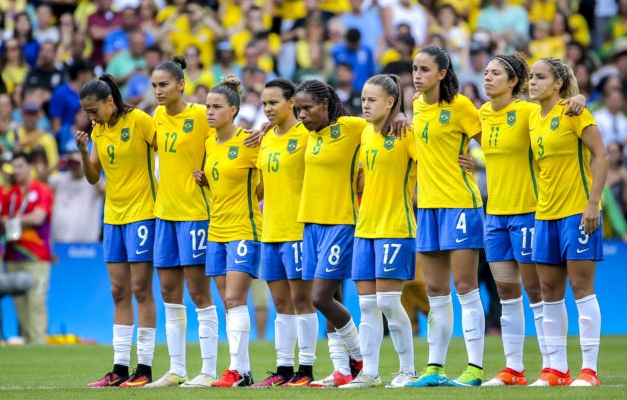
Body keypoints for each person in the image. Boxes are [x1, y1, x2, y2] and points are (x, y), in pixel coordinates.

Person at [476, 53, 586, 386]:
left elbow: (561, 111)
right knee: (506, 292)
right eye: (485, 72)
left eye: (495, 73)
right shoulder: (481, 113)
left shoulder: (527, 111)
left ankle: (554, 366)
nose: (487, 78)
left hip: (529, 211)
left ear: (514, 82)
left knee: (536, 290)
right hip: (494, 215)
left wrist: (578, 97)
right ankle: (514, 369)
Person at [404, 45, 486, 388]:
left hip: (460, 204)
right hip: (429, 208)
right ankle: (434, 367)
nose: (417, 75)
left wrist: (479, 162)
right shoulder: (417, 105)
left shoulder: (461, 106)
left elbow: (491, 142)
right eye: (414, 68)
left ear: (442, 73)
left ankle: (475, 370)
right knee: (436, 290)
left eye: (424, 69)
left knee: (465, 287)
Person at [527, 57, 607, 387]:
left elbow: (601, 155)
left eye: (540, 77)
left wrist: (593, 204)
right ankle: (556, 369)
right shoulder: (532, 117)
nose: (532, 82)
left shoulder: (574, 112)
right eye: (530, 76)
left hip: (577, 211)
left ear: (558, 83)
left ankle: (589, 370)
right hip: (545, 214)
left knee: (581, 289)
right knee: (548, 291)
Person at [338, 74, 418, 388]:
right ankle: (368, 373)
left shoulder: (406, 132)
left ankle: (408, 370)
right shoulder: (365, 135)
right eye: (363, 100)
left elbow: (432, 159)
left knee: (387, 302)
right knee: (368, 305)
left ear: (390, 102)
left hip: (396, 226)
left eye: (372, 100)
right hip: (365, 228)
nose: (365, 105)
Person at [78, 74, 158, 388]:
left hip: (143, 215)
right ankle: (119, 369)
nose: (90, 117)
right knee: (118, 292)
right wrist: (85, 154)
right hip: (113, 218)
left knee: (141, 289)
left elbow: (168, 151)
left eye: (93, 109)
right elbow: (93, 177)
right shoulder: (99, 129)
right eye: (86, 111)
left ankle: (145, 369)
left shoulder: (139, 120)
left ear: (110, 101)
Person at [145, 56, 216, 388]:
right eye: (154, 86)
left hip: (195, 215)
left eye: (164, 85)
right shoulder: (156, 116)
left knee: (198, 292)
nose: (158, 91)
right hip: (165, 216)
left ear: (181, 85)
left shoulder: (202, 115)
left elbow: (230, 137)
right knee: (168, 291)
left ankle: (209, 370)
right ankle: (176, 370)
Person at [293, 80, 366, 388]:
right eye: (298, 109)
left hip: (341, 222)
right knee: (333, 297)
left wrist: (400, 114)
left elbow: (381, 123)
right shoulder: (307, 135)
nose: (302, 115)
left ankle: (362, 358)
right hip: (311, 223)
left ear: (324, 105)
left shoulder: (350, 127)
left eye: (307, 108)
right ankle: (341, 370)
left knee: (320, 297)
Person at [193, 74, 261, 387]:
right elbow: (222, 178)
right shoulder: (209, 142)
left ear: (232, 110)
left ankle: (237, 369)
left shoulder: (249, 141)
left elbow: (266, 182)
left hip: (244, 228)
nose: (209, 112)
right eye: (207, 106)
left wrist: (250, 199)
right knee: (228, 302)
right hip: (216, 230)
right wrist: (207, 181)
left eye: (216, 106)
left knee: (235, 298)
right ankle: (243, 371)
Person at [249, 78, 318, 387]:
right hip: (270, 231)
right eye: (264, 103)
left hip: (299, 230)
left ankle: (307, 369)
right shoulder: (264, 138)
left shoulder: (307, 135)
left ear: (292, 103)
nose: (267, 108)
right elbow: (263, 186)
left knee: (303, 301)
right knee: (281, 304)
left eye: (273, 102)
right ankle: (284, 369)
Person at [1, 151, 53, 345]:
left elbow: (38, 217)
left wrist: (13, 221)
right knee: (20, 307)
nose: (16, 170)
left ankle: (39, 345)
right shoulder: (10, 193)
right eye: (13, 167)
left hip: (36, 257)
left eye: (20, 166)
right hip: (13, 256)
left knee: (36, 304)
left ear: (30, 167)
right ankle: (29, 348)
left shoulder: (42, 190)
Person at [48, 150, 105, 243]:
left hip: (87, 244)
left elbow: (105, 193)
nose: (76, 165)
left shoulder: (94, 183)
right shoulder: (60, 179)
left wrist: (88, 168)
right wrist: (57, 164)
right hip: (59, 242)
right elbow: (40, 182)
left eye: (79, 161)